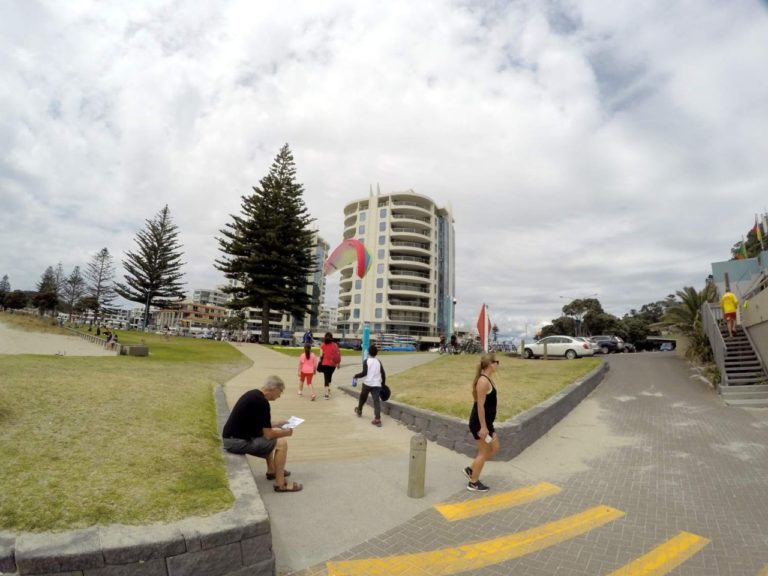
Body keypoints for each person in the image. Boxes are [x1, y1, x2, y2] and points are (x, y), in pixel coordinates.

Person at [221, 375, 302, 492]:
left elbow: (259, 425)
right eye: (280, 392)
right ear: (274, 389)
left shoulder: (254, 394)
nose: (279, 396)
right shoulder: (262, 403)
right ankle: (280, 484)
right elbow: (269, 435)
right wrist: (286, 433)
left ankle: (272, 471)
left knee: (267, 439)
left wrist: (277, 424)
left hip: (231, 438)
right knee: (281, 443)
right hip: (236, 442)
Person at [464, 353, 500, 492]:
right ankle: (473, 482)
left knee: (495, 447)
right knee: (485, 451)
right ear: (490, 364)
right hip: (480, 423)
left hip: (487, 422)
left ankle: (471, 469)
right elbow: (480, 406)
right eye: (496, 362)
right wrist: (484, 427)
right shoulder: (483, 381)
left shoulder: (487, 379)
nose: (497, 364)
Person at [353, 345, 386, 427]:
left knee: (362, 397)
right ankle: (377, 419)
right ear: (376, 353)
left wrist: (356, 375)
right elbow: (383, 373)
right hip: (377, 385)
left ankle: (359, 410)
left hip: (367, 384)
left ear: (368, 352)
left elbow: (364, 373)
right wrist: (383, 383)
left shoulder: (366, 361)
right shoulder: (378, 362)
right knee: (376, 401)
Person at [319, 332, 341, 399]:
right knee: (329, 376)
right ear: (332, 337)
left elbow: (321, 355)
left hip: (325, 364)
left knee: (326, 378)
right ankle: (328, 389)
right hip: (333, 364)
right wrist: (338, 364)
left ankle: (326, 395)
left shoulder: (323, 345)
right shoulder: (335, 345)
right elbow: (338, 354)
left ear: (325, 337)